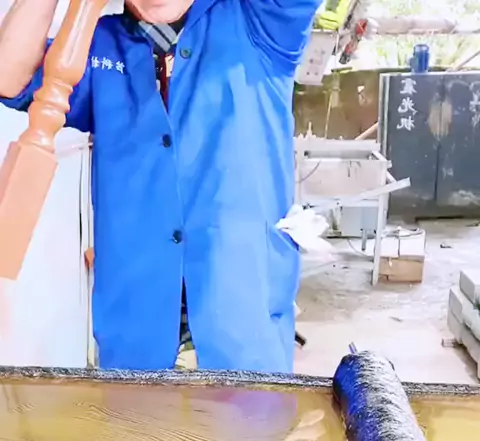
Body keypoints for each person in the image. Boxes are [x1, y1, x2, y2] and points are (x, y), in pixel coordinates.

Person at [0, 0, 318, 372]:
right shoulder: (99, 43)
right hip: (135, 341)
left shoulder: (260, 21)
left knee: (251, 409)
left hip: (243, 334)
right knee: (137, 410)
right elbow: (9, 77)